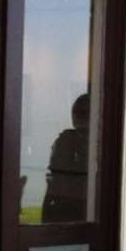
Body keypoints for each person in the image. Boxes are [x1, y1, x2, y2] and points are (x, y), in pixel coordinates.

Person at [42, 93, 90, 223]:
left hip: (71, 203)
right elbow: (55, 177)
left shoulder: (65, 139)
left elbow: (54, 178)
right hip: (67, 203)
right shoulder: (66, 140)